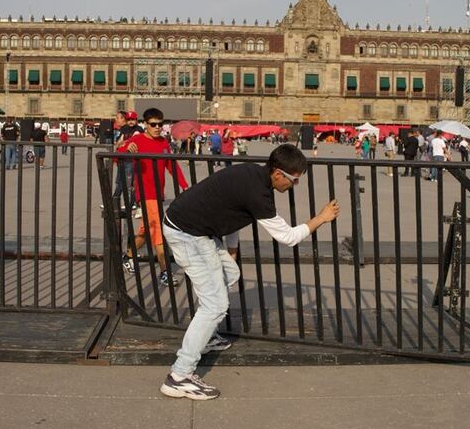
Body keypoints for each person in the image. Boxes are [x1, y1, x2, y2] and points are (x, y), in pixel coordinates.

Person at [158, 144, 340, 400]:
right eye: (294, 180)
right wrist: (321, 218)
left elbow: (230, 210)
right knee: (215, 305)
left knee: (229, 274)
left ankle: (204, 336)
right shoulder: (259, 194)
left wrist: (230, 250)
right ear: (278, 174)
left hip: (196, 228)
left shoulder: (251, 174)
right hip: (187, 234)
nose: (295, 186)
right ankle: (179, 376)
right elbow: (288, 237)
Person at [119, 108, 189, 285]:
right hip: (144, 193)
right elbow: (117, 154)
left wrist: (184, 185)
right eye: (153, 124)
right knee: (158, 230)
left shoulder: (164, 143)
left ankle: (127, 256)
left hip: (158, 194)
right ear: (146, 125)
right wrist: (127, 149)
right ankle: (164, 271)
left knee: (147, 230)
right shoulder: (137, 140)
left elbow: (171, 166)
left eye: (160, 124)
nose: (157, 127)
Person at [114, 112, 144, 216]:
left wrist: (124, 144)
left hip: (131, 160)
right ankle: (116, 201)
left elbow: (133, 141)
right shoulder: (125, 129)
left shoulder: (139, 130)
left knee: (130, 184)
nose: (131, 121)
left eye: (133, 119)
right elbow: (118, 142)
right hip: (122, 159)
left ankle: (131, 205)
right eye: (129, 119)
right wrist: (123, 144)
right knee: (120, 181)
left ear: (136, 120)